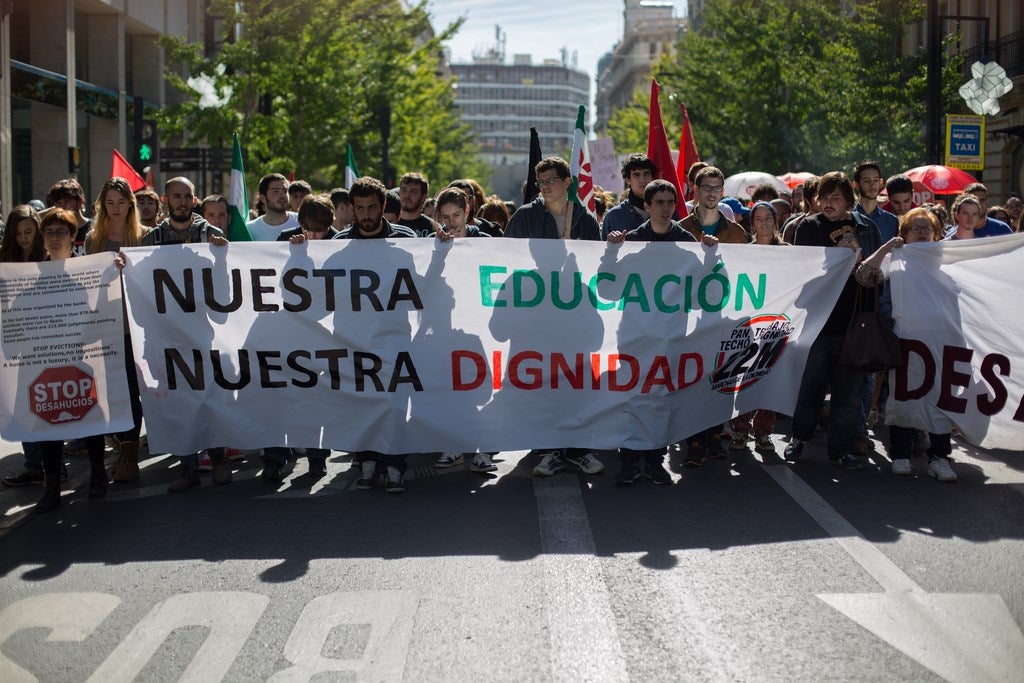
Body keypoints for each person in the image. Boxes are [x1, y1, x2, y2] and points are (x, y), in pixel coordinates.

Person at [606, 179, 717, 484]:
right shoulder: (631, 242)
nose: (666, 208)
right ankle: (629, 460)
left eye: (670, 203)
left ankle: (655, 460)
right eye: (659, 203)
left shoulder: (687, 242)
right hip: (633, 336)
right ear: (647, 205)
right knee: (631, 398)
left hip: (670, 337)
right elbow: (608, 291)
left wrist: (711, 258)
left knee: (661, 399)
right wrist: (611, 254)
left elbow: (702, 296)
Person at [504, 156, 604, 477]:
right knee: (545, 384)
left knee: (576, 382)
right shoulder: (525, 217)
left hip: (575, 313)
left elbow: (596, 266)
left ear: (567, 183)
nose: (545, 187)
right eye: (541, 182)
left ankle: (578, 449)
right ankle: (550, 449)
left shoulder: (585, 220)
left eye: (551, 181)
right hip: (538, 315)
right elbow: (505, 259)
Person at [784, 171, 881, 470]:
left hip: (854, 325)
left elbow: (879, 273)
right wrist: (834, 257)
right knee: (810, 389)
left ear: (849, 201)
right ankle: (799, 437)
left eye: (835, 198)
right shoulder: (808, 227)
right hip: (818, 325)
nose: (828, 203)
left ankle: (840, 449)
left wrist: (862, 263)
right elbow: (803, 272)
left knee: (848, 395)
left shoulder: (866, 227)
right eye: (823, 198)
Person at [140, 178, 231, 492]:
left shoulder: (211, 234)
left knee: (210, 396)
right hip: (165, 336)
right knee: (178, 402)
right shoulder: (151, 239)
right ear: (166, 200)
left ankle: (218, 458)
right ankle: (188, 467)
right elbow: (141, 281)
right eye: (176, 196)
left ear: (194, 200)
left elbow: (226, 280)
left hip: (205, 332)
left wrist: (222, 255)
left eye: (187, 196)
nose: (181, 201)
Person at [854, 207, 957, 482]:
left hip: (942, 342)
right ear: (905, 235)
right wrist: (888, 247)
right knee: (903, 397)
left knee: (939, 398)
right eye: (916, 228)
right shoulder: (897, 260)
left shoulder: (949, 263)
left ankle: (939, 458)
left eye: (927, 228)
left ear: (936, 234)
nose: (922, 232)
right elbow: (864, 275)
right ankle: (900, 455)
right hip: (905, 341)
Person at [333, 177, 415, 492]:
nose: (365, 215)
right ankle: (367, 461)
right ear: (352, 208)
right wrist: (300, 254)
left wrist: (439, 252)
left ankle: (395, 466)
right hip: (354, 340)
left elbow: (421, 285)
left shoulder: (406, 239)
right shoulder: (339, 242)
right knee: (363, 404)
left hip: (394, 337)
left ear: (382, 206)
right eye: (359, 208)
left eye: (371, 208)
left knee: (395, 405)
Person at [31, 209, 109, 512]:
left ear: (72, 236)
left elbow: (99, 312)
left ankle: (98, 472)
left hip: (80, 359)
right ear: (43, 238)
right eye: (49, 232)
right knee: (46, 424)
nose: (54, 237)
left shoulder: (88, 271)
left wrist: (114, 272)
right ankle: (52, 487)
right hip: (45, 362)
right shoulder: (28, 276)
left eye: (61, 232)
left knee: (89, 417)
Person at [83, 177, 149, 481]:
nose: (116, 208)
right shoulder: (92, 239)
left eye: (121, 202)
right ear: (102, 206)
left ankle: (129, 456)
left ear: (130, 205)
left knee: (133, 391)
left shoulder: (145, 236)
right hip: (104, 325)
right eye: (109, 203)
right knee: (108, 390)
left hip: (135, 325)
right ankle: (120, 444)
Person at [431, 187, 498, 473]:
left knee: (479, 387)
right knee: (451, 387)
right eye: (445, 217)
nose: (451, 223)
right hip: (446, 327)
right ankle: (454, 445)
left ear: (467, 211)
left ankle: (481, 448)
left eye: (456, 215)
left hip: (478, 326)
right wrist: (439, 252)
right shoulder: (433, 244)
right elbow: (426, 283)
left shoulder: (485, 241)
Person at [0, 205, 55, 489]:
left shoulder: (49, 258)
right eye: (18, 232)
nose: (23, 237)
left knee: (45, 403)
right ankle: (34, 466)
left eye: (28, 231)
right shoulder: (4, 261)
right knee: (22, 404)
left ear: (38, 231)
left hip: (45, 342)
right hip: (14, 342)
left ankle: (53, 466)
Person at [730, 201, 786, 454]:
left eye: (768, 218)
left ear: (776, 221)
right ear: (752, 224)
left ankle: (764, 432)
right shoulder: (745, 253)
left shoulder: (790, 253)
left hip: (779, 324)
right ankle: (740, 429)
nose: (764, 223)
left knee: (770, 380)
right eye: (758, 219)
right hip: (750, 325)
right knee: (744, 377)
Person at [678, 166, 747, 244]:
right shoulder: (680, 230)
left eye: (717, 188)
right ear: (696, 189)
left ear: (722, 192)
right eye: (707, 187)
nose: (712, 193)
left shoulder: (737, 233)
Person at [601, 153, 657, 239]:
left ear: (652, 177)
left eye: (646, 174)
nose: (642, 179)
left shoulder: (667, 210)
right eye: (636, 175)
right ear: (628, 180)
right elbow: (603, 246)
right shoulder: (614, 216)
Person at [852, 160, 899, 241]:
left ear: (881, 182)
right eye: (867, 181)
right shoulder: (848, 218)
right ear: (856, 185)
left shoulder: (892, 221)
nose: (872, 185)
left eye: (876, 180)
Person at [948, 183, 1014, 238]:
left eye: (982, 200)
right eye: (975, 200)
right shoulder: (953, 236)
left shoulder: (1002, 229)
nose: (979, 204)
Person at [246, 173, 299, 240]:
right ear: (263, 197)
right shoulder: (250, 229)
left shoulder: (302, 222)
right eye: (275, 191)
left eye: (285, 190)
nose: (282, 195)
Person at [395, 172, 440, 237]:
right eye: (404, 190)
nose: (407, 195)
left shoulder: (435, 228)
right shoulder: (388, 224)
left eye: (413, 191)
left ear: (424, 197)